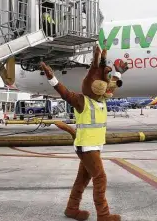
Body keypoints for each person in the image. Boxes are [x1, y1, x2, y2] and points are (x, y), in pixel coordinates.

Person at [40, 45, 128, 221]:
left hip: (92, 146)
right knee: (100, 177)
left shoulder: (102, 99)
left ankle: (71, 208)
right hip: (86, 147)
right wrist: (52, 78)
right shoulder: (83, 101)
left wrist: (118, 73)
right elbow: (65, 94)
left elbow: (110, 87)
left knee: (82, 179)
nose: (104, 87)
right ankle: (103, 215)